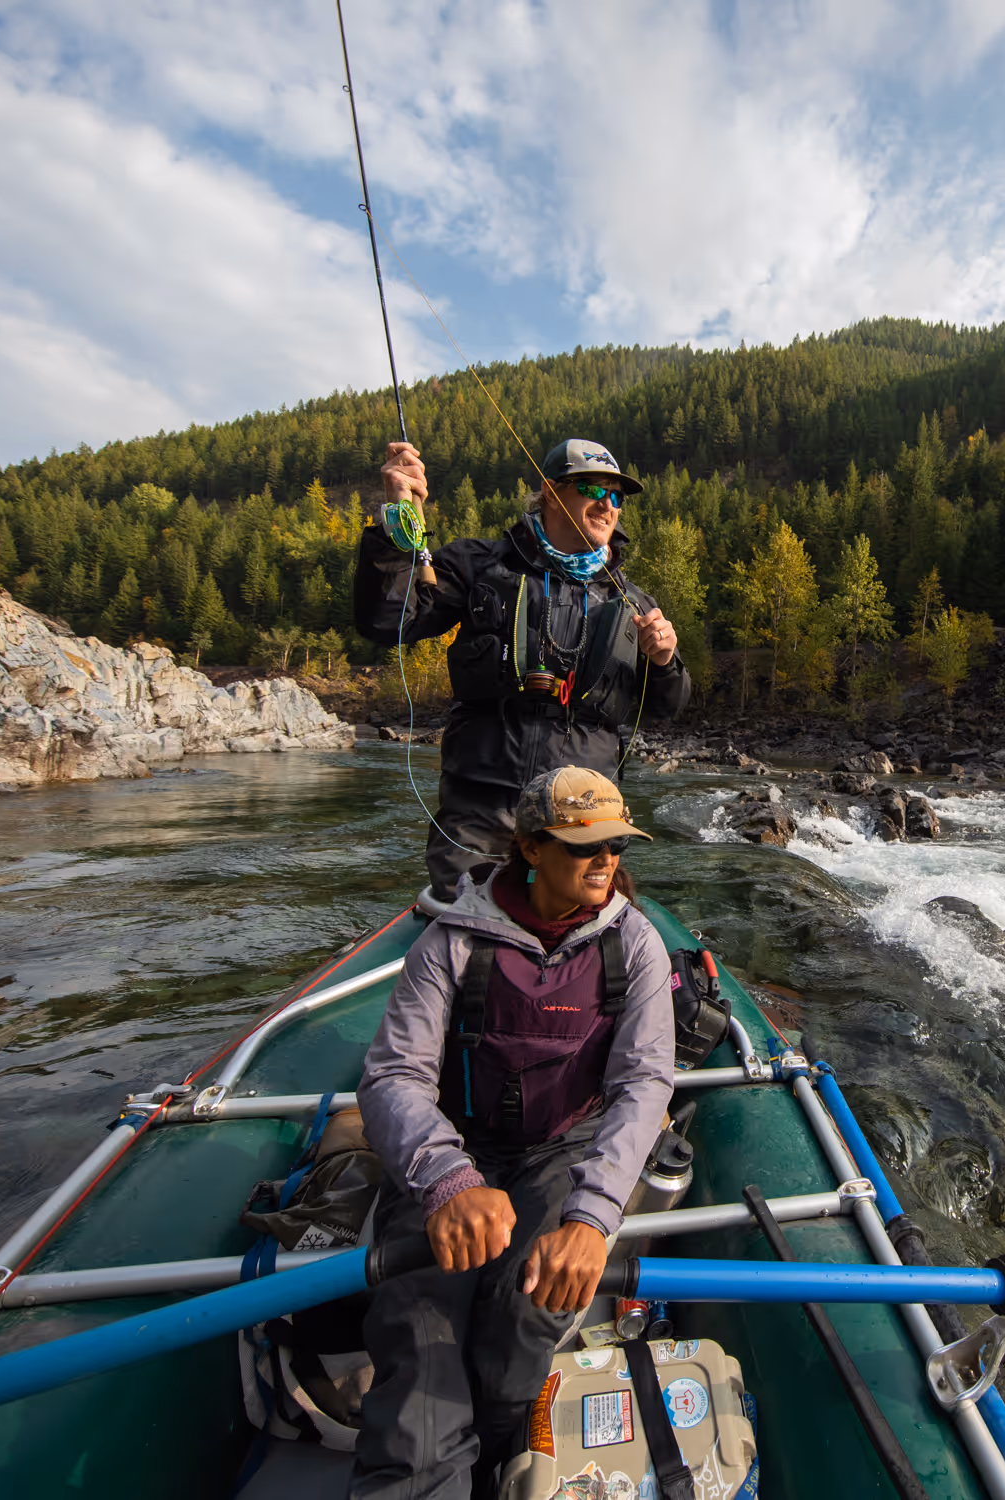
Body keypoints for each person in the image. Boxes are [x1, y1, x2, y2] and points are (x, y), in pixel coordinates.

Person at [350, 766, 676, 1500]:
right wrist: (448, 1182)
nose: (605, 861)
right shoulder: (450, 943)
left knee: (528, 1309)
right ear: (531, 848)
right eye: (584, 845)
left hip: (560, 1151)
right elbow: (394, 1078)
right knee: (418, 1327)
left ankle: (494, 1445)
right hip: (453, 1150)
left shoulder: (638, 947)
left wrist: (593, 1218)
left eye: (617, 845)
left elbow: (641, 1086)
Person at [355, 437, 691, 910]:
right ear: (551, 492)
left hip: (584, 812)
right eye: (593, 489)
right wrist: (397, 519)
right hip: (483, 805)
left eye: (616, 496)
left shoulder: (634, 603)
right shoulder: (480, 565)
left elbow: (666, 707)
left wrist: (664, 662)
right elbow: (389, 619)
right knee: (469, 932)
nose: (608, 505)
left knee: (579, 937)